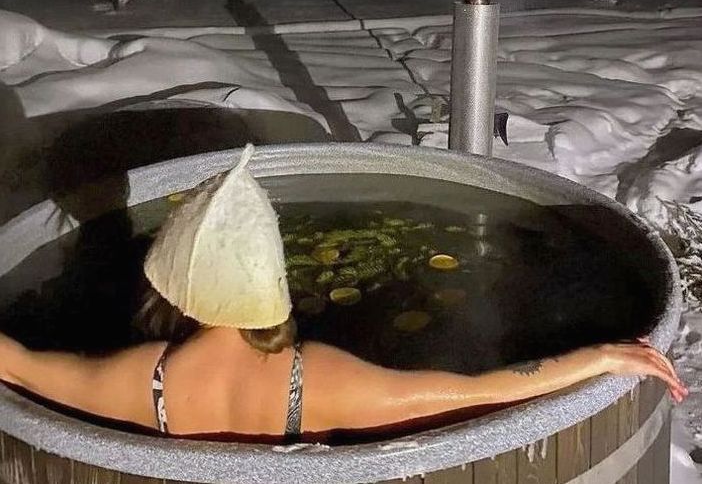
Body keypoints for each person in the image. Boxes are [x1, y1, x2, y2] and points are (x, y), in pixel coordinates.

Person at [0, 146, 686, 440]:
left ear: (176, 291)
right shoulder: (321, 383)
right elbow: (476, 393)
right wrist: (598, 357)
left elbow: (19, 365)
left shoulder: (134, 380)